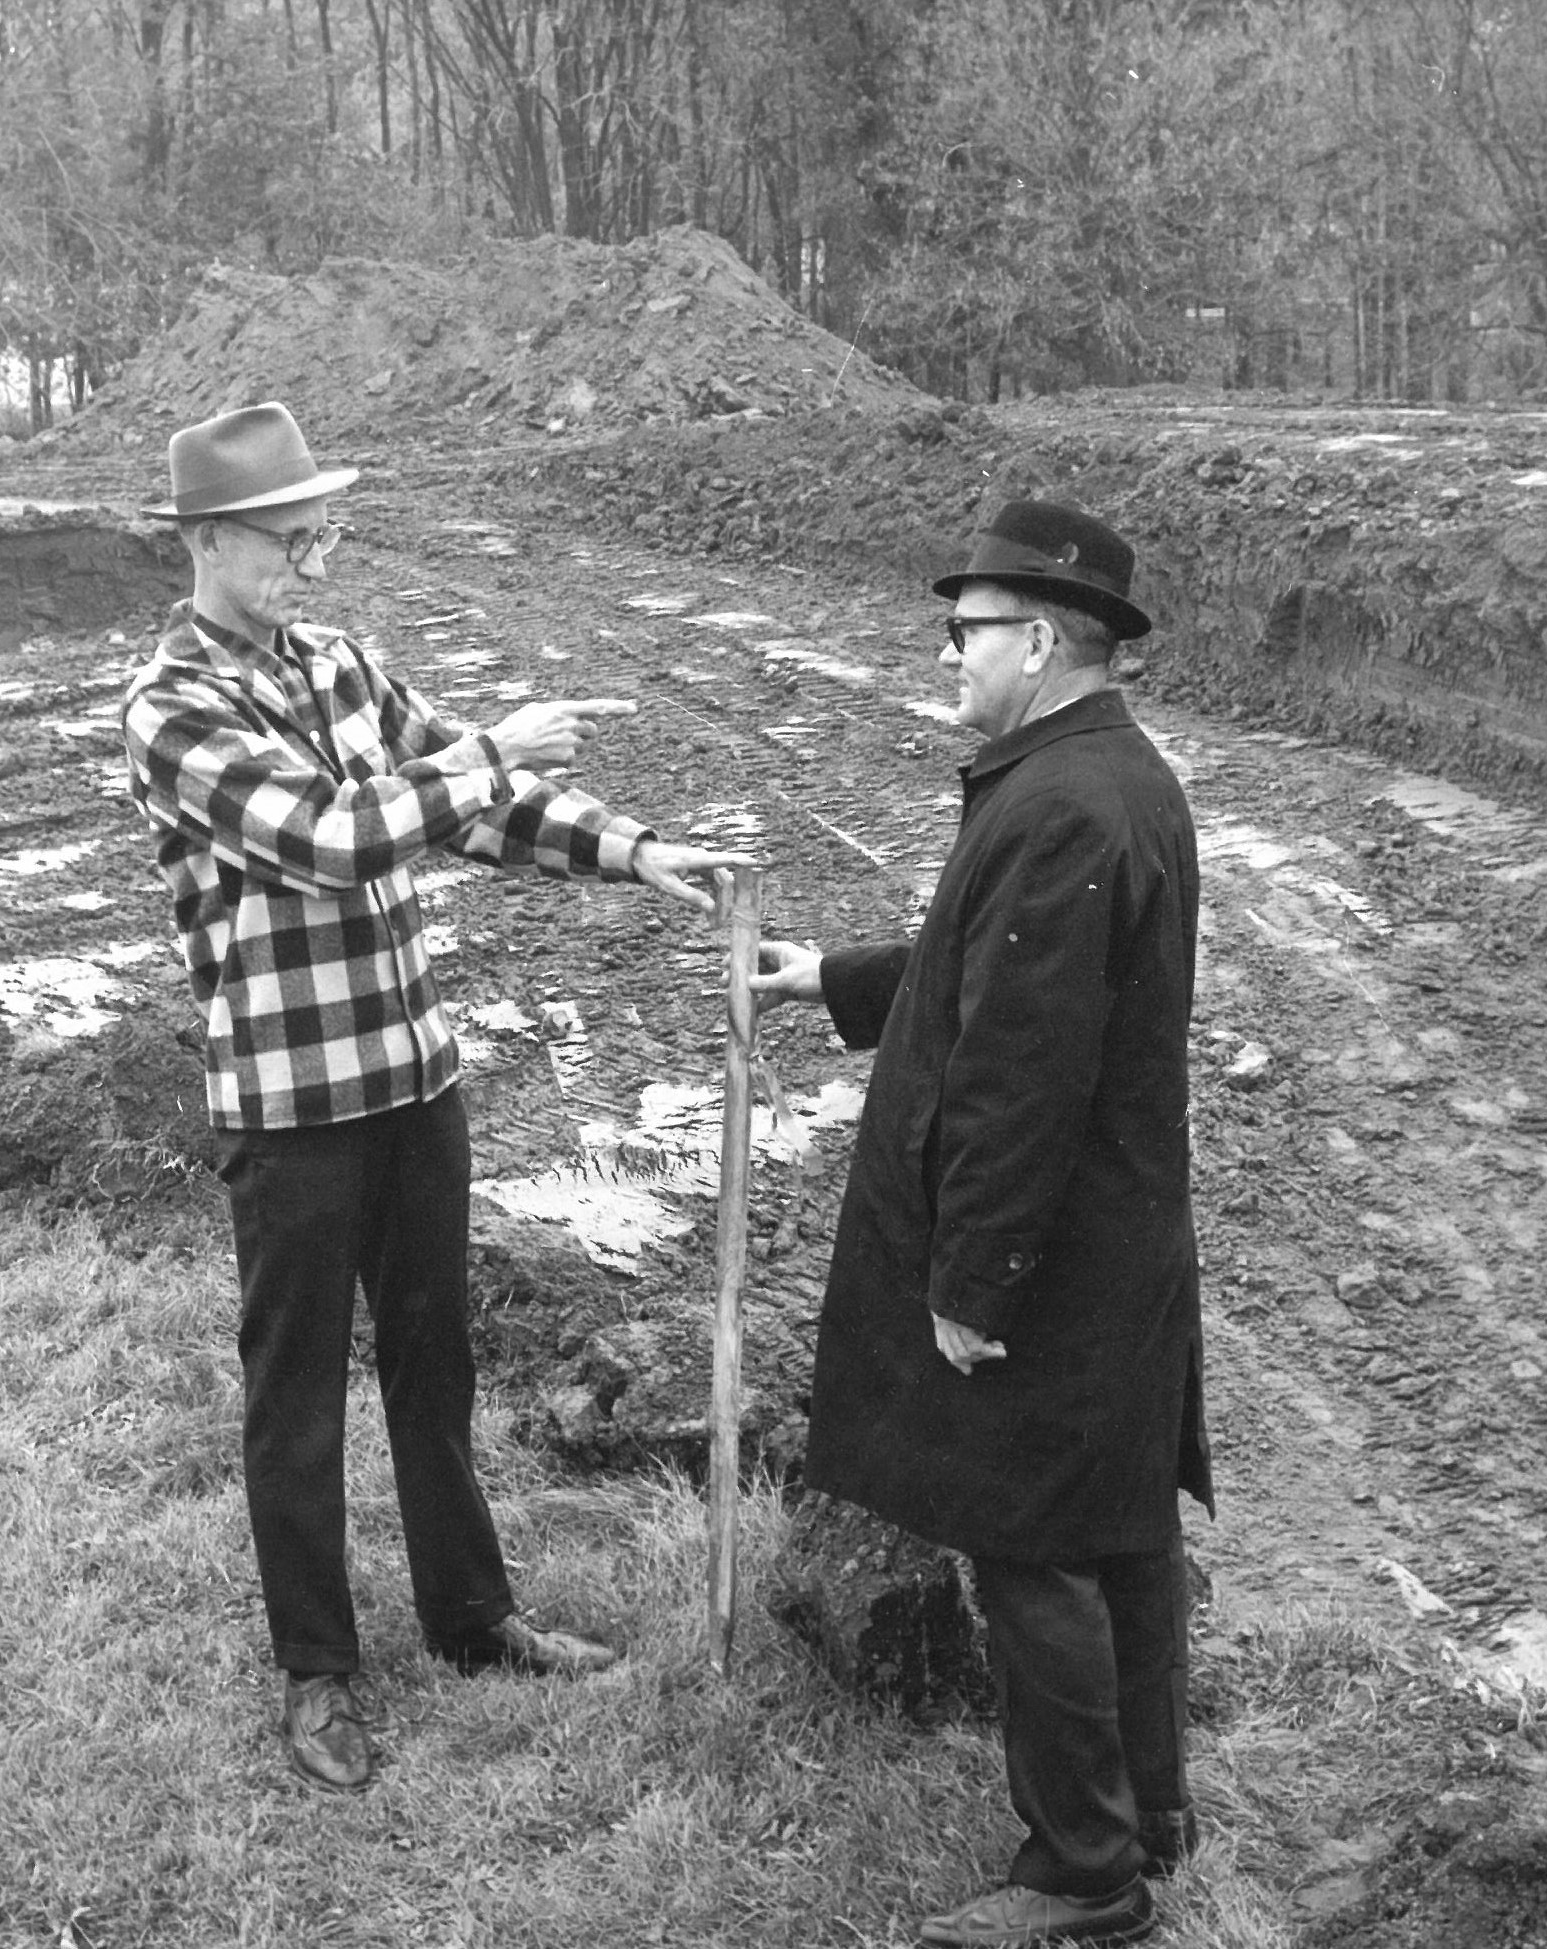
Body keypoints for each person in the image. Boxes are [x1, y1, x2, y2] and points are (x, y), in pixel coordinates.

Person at [121, 400, 748, 1795]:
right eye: (290, 540)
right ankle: (320, 1673)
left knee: (434, 1362)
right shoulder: (173, 711)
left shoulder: (341, 663)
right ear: (211, 542)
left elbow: (477, 808)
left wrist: (636, 851)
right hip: (290, 1109)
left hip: (413, 1085)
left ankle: (473, 1617)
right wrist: (487, 751)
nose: (314, 561)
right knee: (295, 1396)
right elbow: (342, 838)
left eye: (320, 532)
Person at [751, 500, 1214, 1947]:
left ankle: (1087, 1872)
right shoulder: (1096, 777)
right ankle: (1150, 1803)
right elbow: (990, 970)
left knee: (1035, 1543)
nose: (948, 650)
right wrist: (827, 975)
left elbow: (1021, 1068)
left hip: (1055, 1256)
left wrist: (974, 1279)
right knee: (1119, 1523)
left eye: (965, 631)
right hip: (1118, 1239)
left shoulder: (1065, 802)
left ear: (1041, 640)